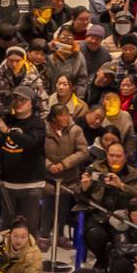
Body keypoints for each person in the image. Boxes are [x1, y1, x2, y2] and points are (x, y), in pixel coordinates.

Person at [79, 141, 137, 269]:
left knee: (123, 242)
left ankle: (114, 264)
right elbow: (81, 196)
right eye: (111, 155)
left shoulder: (134, 172)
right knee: (94, 234)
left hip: (122, 217)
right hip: (98, 214)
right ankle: (103, 259)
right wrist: (84, 187)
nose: (114, 159)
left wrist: (121, 185)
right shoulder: (95, 168)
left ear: (125, 157)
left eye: (118, 156)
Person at [0, 84, 47, 234]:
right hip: (8, 183)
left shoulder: (37, 124)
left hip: (30, 185)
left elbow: (29, 142)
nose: (18, 103)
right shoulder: (7, 120)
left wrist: (7, 131)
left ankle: (28, 258)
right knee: (6, 230)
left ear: (32, 103)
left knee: (27, 231)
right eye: (15, 99)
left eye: (22, 100)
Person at [42, 103, 88, 251]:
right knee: (47, 207)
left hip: (68, 178)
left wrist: (64, 164)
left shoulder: (76, 130)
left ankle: (60, 235)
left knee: (63, 208)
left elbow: (83, 152)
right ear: (53, 118)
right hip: (47, 177)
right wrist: (49, 165)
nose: (65, 118)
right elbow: (36, 151)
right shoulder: (44, 129)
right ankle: (43, 236)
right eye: (61, 115)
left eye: (66, 114)